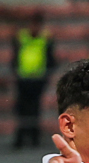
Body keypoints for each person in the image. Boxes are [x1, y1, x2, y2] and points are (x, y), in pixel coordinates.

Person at [13, 13, 55, 149]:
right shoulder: (21, 37)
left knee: (34, 109)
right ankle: (21, 137)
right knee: (22, 109)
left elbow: (50, 58)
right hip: (23, 78)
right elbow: (15, 55)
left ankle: (33, 138)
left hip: (38, 79)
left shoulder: (46, 38)